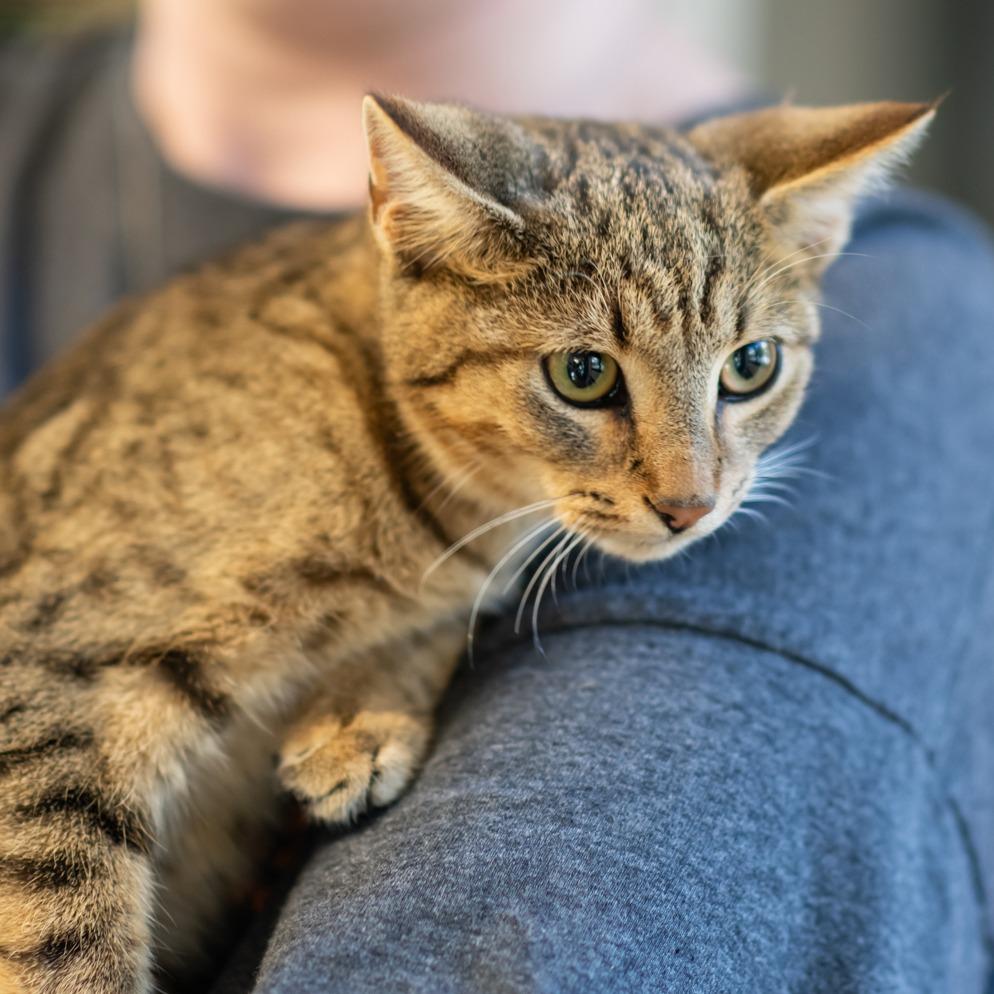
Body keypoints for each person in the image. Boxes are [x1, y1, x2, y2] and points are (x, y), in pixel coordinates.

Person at [2, 4, 992, 992]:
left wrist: (403, 650)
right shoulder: (280, 437)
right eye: (586, 380)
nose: (688, 486)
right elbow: (40, 701)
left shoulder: (911, 341)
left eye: (749, 370)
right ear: (422, 244)